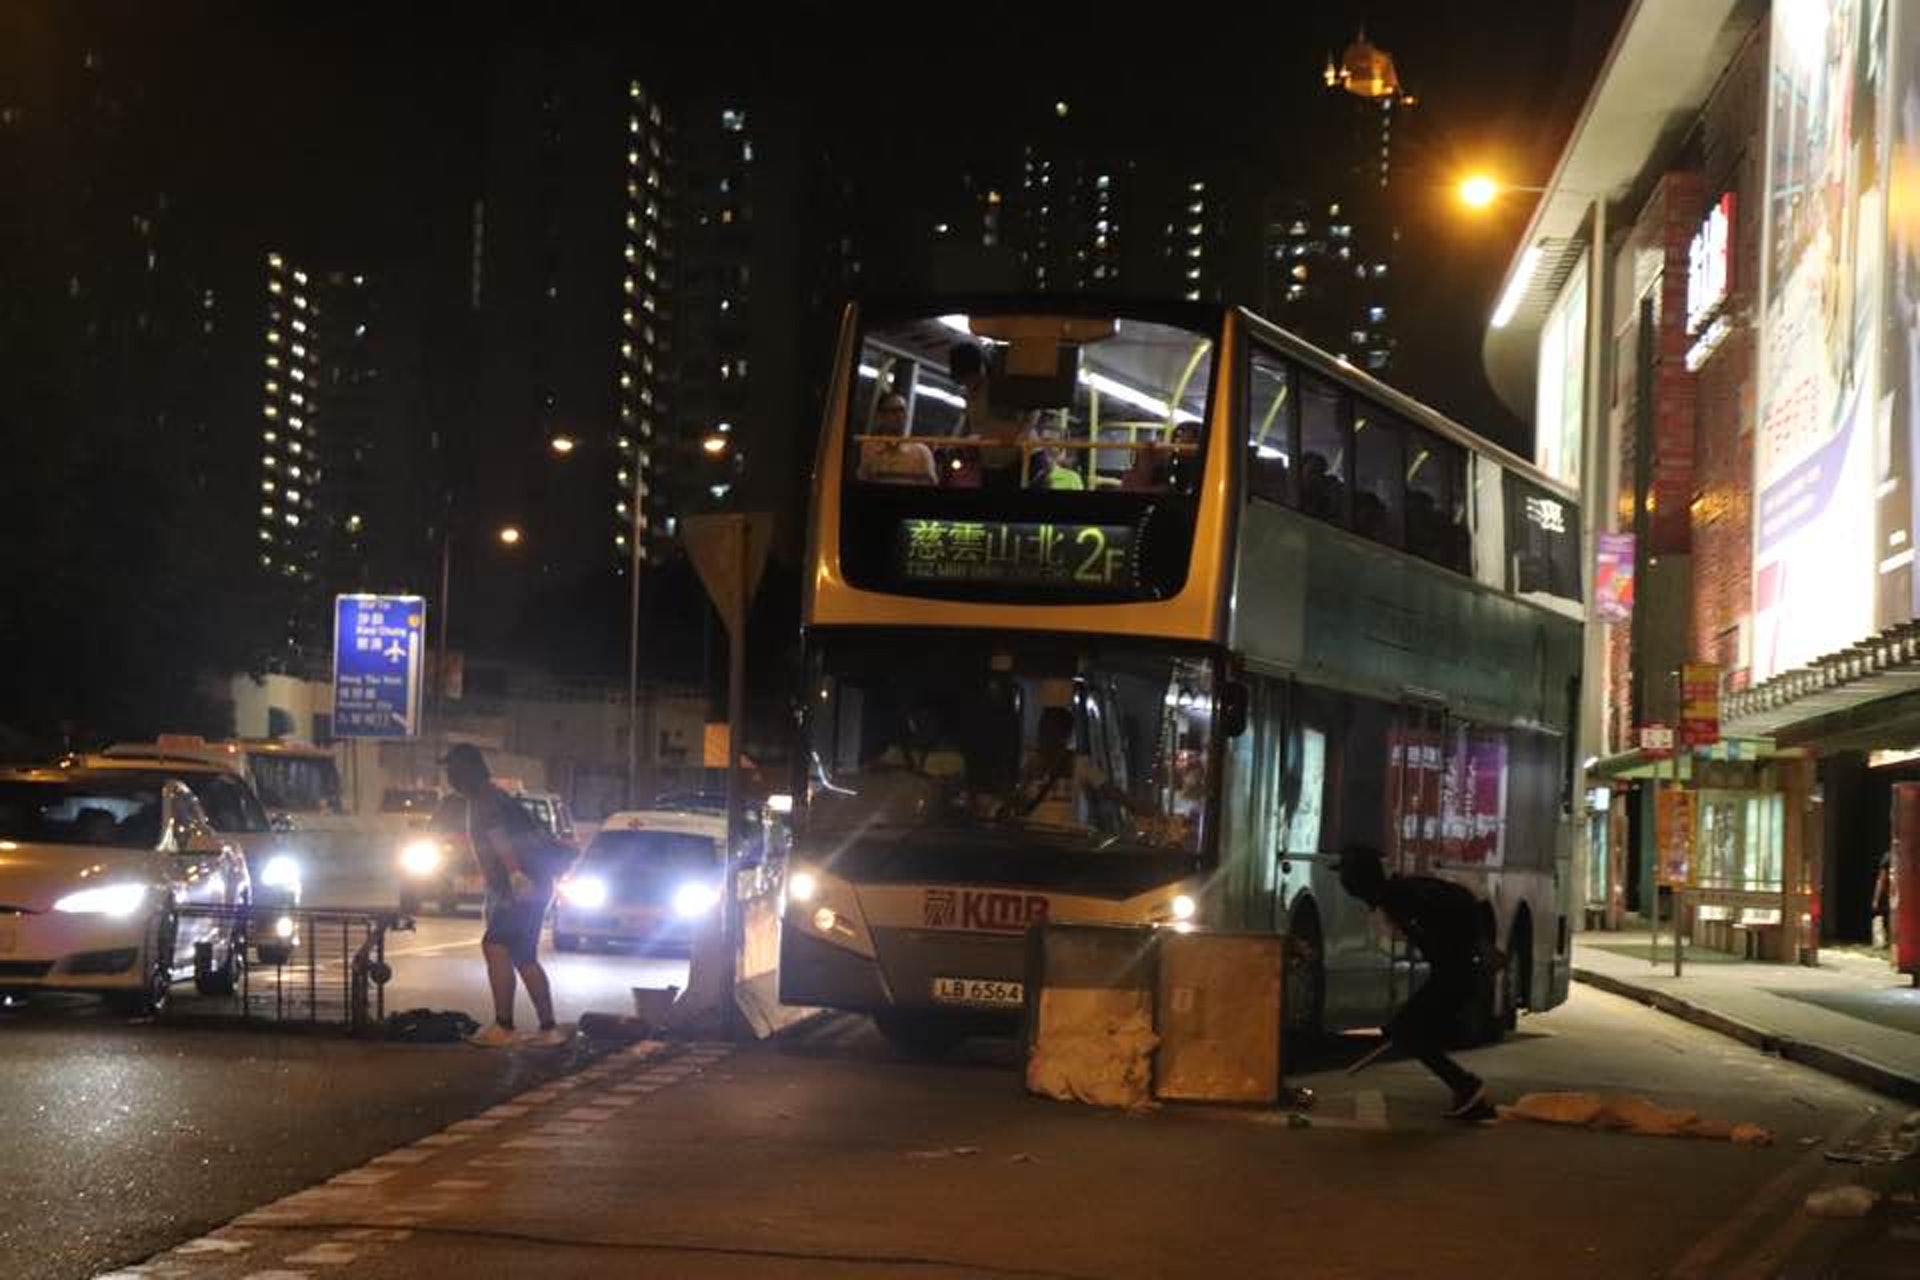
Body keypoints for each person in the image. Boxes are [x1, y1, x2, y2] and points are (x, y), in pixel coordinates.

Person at [1337, 843, 1497, 1120]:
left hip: (1456, 973)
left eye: (1347, 879)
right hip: (1452, 972)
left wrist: (1468, 949)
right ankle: (1467, 1091)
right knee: (1407, 1029)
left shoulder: (1403, 898)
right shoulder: (1400, 894)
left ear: (1358, 882)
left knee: (1410, 1032)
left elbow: (1454, 913)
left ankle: (1467, 1086)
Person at [443, 743, 569, 1048]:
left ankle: (504, 1026)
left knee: (495, 946)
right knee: (524, 956)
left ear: (465, 773)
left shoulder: (485, 800)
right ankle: (548, 1028)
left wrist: (514, 875)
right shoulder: (492, 796)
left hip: (520, 886)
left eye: (452, 770)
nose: (449, 777)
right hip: (532, 884)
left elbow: (499, 838)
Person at [1007, 705, 1131, 831]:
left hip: (1066, 841)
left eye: (1051, 731)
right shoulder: (1030, 762)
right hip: (1031, 840)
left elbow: (1108, 790)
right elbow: (1016, 803)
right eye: (1043, 730)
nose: (1044, 736)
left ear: (1065, 735)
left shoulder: (1080, 764)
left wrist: (1137, 806)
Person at [855, 393, 937, 486]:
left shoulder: (921, 452)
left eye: (902, 410)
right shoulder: (869, 448)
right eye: (894, 411)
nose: (900, 415)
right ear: (881, 416)